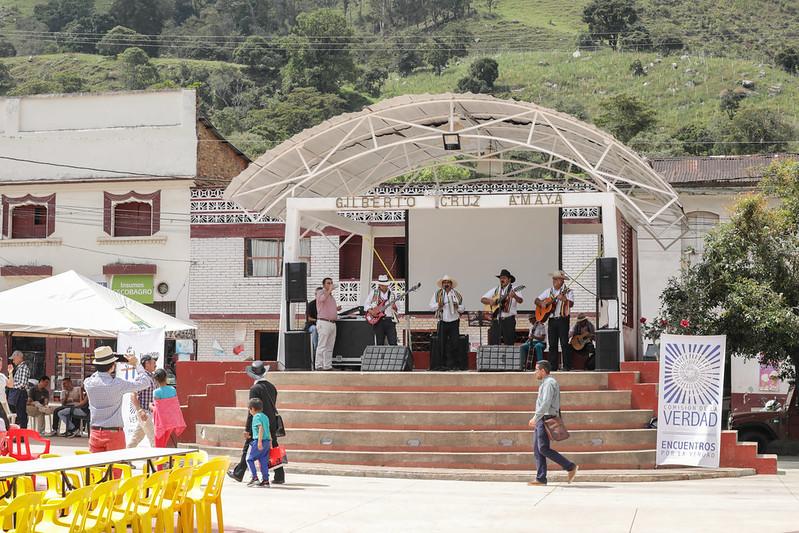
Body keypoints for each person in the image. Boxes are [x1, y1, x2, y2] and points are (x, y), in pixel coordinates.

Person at [83, 346, 151, 453]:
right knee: (116, 468)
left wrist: (106, 359)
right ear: (112, 366)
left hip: (95, 432)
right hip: (114, 433)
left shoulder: (88, 383)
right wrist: (136, 365)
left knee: (96, 468)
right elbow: (146, 382)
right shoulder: (117, 384)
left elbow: (96, 375)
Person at [228, 361, 285, 485]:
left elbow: (251, 410)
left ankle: (239, 473)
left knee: (247, 448)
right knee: (273, 446)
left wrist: (247, 428)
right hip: (270, 422)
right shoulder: (271, 386)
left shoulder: (255, 388)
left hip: (258, 422)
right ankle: (280, 475)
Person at [528, 360, 578, 486]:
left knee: (543, 449)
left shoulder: (549, 383)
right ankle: (541, 478)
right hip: (542, 419)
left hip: (545, 419)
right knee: (538, 449)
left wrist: (535, 417)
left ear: (543, 371)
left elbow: (546, 403)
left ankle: (570, 466)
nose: (535, 372)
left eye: (536, 370)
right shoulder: (545, 383)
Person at [535, 270, 574, 371]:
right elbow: (536, 300)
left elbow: (571, 304)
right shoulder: (548, 291)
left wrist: (565, 299)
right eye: (554, 279)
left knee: (564, 343)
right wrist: (542, 304)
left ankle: (566, 366)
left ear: (562, 281)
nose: (554, 281)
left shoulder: (568, 291)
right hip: (552, 320)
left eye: (556, 279)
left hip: (563, 319)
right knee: (552, 344)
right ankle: (553, 366)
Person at [429, 275, 465, 370]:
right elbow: (431, 306)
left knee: (455, 344)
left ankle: (455, 365)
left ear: (451, 284)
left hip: (454, 322)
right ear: (442, 284)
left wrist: (457, 306)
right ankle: (442, 365)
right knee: (442, 344)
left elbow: (463, 309)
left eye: (448, 282)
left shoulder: (456, 294)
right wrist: (438, 305)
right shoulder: (438, 294)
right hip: (442, 322)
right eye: (444, 282)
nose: (446, 284)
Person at [481, 269, 524, 345]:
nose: (501, 280)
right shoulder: (496, 289)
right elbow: (483, 299)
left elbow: (520, 301)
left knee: (509, 343)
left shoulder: (515, 289)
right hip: (496, 320)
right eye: (500, 278)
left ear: (509, 279)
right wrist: (490, 301)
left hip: (509, 320)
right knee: (494, 343)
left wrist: (514, 296)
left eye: (504, 278)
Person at [128, 354, 157, 448]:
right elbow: (133, 395)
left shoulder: (151, 377)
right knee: (154, 439)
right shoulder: (142, 377)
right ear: (147, 364)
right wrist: (140, 410)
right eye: (153, 362)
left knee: (135, 439)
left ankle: (124, 458)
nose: (155, 364)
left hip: (147, 413)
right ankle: (157, 462)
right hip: (145, 413)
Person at [151, 368, 185, 448]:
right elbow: (173, 406)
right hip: (170, 422)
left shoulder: (156, 392)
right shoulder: (173, 390)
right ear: (166, 377)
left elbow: (158, 409)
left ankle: (160, 460)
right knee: (164, 444)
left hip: (161, 423)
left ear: (156, 380)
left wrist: (150, 406)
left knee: (159, 445)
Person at [364, 274, 400, 345]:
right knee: (379, 342)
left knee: (393, 342)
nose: (384, 286)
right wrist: (371, 312)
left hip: (390, 320)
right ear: (379, 285)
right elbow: (366, 304)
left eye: (385, 285)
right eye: (382, 285)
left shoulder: (392, 294)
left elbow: (398, 308)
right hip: (378, 321)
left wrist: (394, 306)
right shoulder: (374, 293)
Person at [315, 278, 341, 371]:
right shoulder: (320, 292)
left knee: (330, 346)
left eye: (331, 283)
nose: (330, 284)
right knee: (322, 345)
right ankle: (318, 365)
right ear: (324, 284)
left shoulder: (331, 296)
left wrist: (336, 309)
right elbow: (322, 300)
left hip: (332, 323)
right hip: (324, 322)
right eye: (328, 283)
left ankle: (327, 365)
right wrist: (329, 290)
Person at [245, 398, 271, 488]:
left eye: (249, 409)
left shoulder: (256, 417)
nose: (249, 411)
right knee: (263, 461)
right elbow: (268, 429)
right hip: (267, 442)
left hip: (259, 441)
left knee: (249, 459)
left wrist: (259, 442)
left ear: (252, 408)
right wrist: (270, 442)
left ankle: (255, 478)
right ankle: (265, 480)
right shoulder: (265, 416)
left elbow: (261, 428)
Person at [7, 350, 31, 428]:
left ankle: (22, 434)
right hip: (18, 393)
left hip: (21, 393)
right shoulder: (19, 368)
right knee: (18, 414)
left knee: (21, 414)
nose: (13, 361)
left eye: (14, 359)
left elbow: (22, 384)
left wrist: (11, 385)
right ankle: (19, 434)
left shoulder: (23, 368)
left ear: (19, 357)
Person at [305, 287, 321, 356]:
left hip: (322, 325)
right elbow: (308, 318)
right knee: (314, 329)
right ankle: (315, 349)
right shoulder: (311, 304)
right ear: (315, 294)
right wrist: (317, 320)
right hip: (312, 325)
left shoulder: (324, 304)